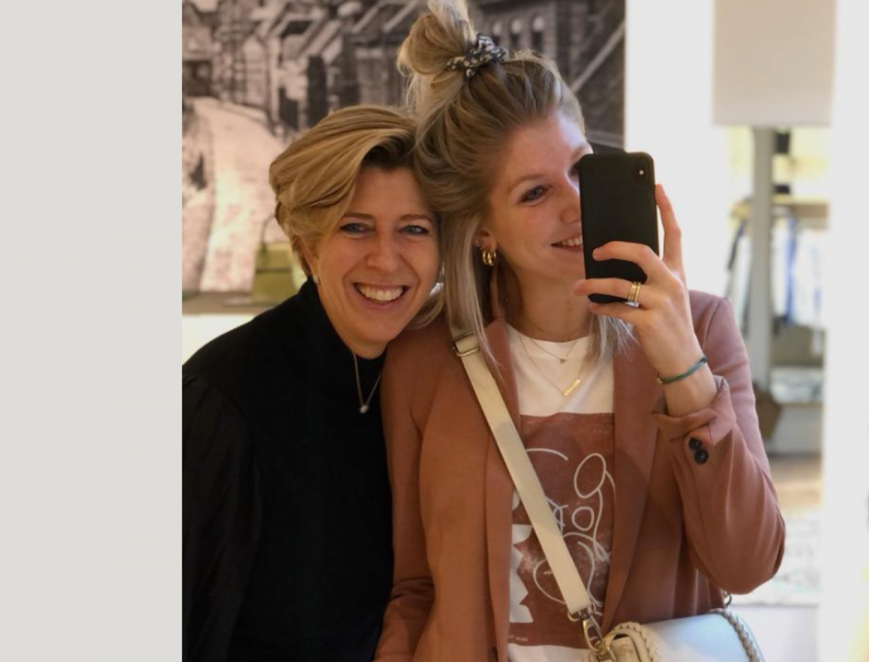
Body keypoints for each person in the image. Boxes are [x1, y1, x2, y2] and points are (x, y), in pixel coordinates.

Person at [375, 2, 785, 660]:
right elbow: (415, 585)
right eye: (534, 193)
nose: (576, 204)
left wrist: (683, 370)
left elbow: (748, 564)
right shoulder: (426, 358)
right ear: (483, 231)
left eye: (580, 168)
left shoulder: (700, 327)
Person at [183, 105, 441, 661]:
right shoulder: (222, 398)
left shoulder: (439, 382)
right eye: (355, 226)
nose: (386, 259)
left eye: (414, 229)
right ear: (307, 245)